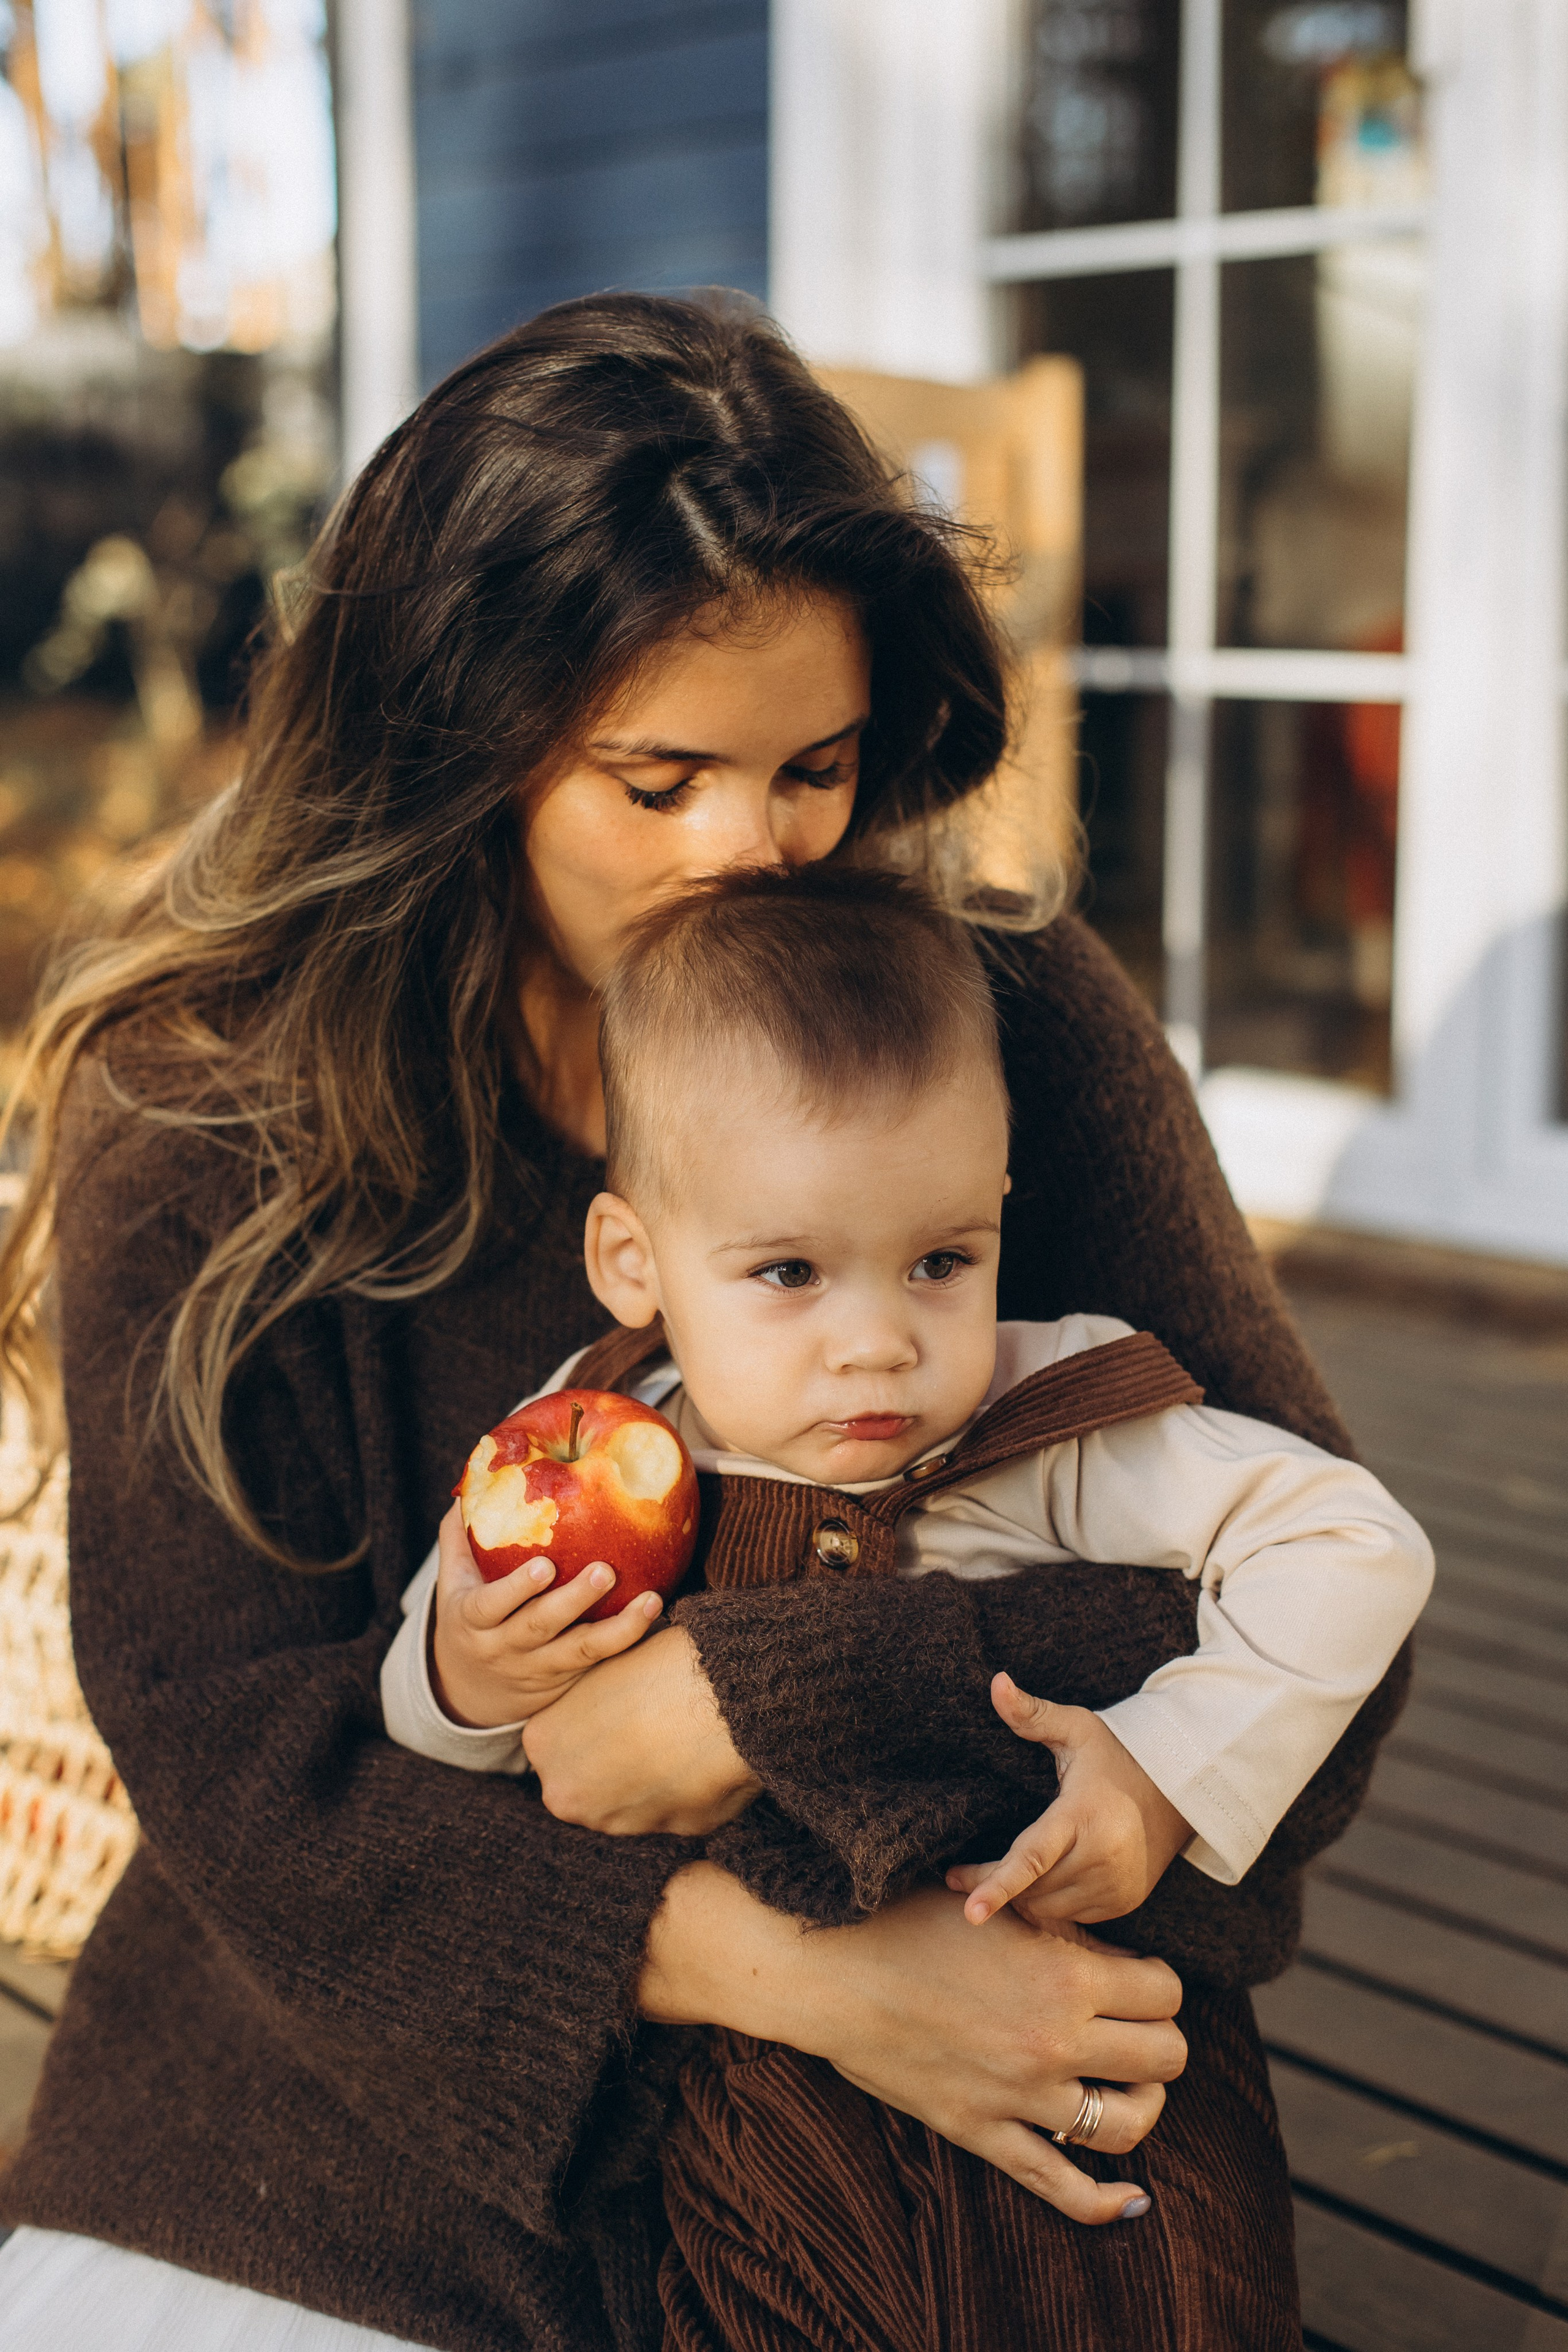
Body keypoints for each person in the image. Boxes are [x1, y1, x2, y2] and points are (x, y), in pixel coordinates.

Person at [0, 292, 1406, 2352]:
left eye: (813, 769)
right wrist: (806, 1978)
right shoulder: (212, 1120)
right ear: (459, 744)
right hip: (349, 2127)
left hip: (968, 2158)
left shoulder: (996, 1024)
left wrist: (765, 1692)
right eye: (658, 780)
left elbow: (1310, 1623)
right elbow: (251, 1767)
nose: (752, 853)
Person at [380, 862, 1431, 2346]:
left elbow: (1349, 1539)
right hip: (764, 2100)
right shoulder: (593, 1445)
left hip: (1085, 2052)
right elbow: (433, 1741)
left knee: (1163, 2294)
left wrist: (1165, 1770)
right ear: (634, 1262)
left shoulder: (1049, 1421)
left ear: (997, 1210)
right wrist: (471, 1670)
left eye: (940, 1262)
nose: (876, 1344)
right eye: (789, 1272)